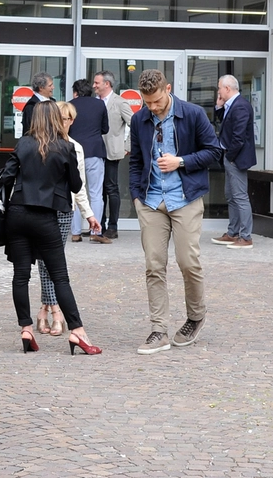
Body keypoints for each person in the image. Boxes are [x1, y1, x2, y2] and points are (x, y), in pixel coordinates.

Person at [129, 69, 222, 355]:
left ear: (167, 88)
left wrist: (181, 161)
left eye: (156, 101)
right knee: (154, 265)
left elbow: (215, 151)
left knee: (187, 262)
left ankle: (195, 317)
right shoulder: (138, 119)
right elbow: (135, 160)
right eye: (147, 103)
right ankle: (159, 330)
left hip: (185, 198)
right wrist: (137, 197)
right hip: (151, 201)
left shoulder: (192, 114)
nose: (153, 107)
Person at [3, 100, 102, 356]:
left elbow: (7, 176)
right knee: (60, 276)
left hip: (17, 213)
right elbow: (75, 184)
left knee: (20, 276)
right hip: (45, 216)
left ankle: (26, 328)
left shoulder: (24, 143)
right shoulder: (65, 147)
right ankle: (77, 332)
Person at [34, 101, 100, 337]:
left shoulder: (76, 148)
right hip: (41, 209)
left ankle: (50, 310)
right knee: (44, 260)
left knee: (52, 260)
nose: (65, 123)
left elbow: (78, 186)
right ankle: (51, 310)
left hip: (64, 209)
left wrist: (88, 214)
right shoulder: (40, 144)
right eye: (61, 118)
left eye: (69, 118)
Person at [210, 74, 258, 250]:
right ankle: (233, 233)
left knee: (240, 197)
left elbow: (238, 137)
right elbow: (225, 124)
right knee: (231, 196)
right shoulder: (232, 105)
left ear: (227, 89)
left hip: (235, 158)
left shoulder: (240, 107)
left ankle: (245, 237)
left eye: (219, 88)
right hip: (231, 157)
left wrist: (229, 157)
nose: (218, 91)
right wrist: (219, 105)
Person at [68, 79, 109, 244]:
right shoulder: (99, 105)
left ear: (75, 92)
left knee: (75, 191)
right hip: (94, 151)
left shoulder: (70, 105)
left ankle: (76, 233)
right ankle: (95, 231)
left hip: (74, 151)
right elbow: (105, 129)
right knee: (96, 192)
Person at [94, 70, 133, 240]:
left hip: (112, 152)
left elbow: (135, 124)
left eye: (97, 83)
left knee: (111, 188)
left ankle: (113, 226)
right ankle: (98, 225)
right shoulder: (94, 102)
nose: (94, 85)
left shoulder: (120, 102)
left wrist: (127, 145)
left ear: (107, 84)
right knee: (98, 190)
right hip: (95, 151)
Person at [20, 71, 55, 136]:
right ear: (41, 88)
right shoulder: (31, 107)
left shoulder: (54, 102)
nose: (53, 87)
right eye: (50, 85)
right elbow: (29, 130)